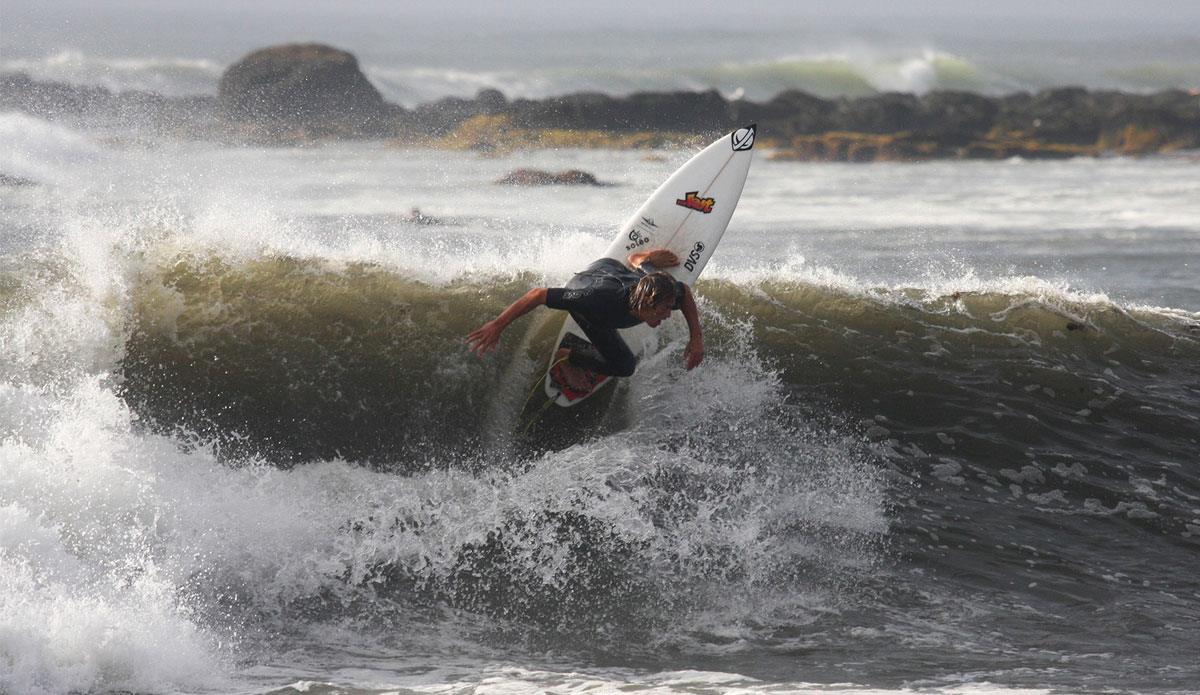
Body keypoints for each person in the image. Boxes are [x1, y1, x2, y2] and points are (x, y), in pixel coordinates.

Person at [466, 249, 704, 393]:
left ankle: (640, 259)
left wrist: (696, 338)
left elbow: (683, 292)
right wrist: (497, 325)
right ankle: (568, 357)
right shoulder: (592, 302)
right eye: (664, 310)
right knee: (625, 366)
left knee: (651, 279)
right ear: (646, 305)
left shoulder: (657, 294)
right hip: (592, 283)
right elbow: (538, 295)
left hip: (620, 275)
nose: (668, 314)